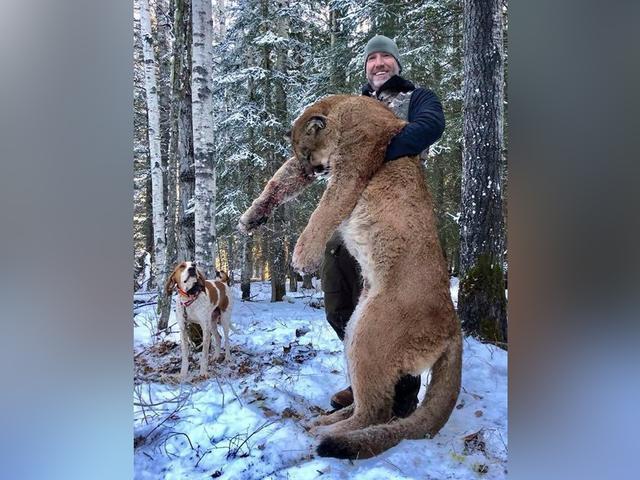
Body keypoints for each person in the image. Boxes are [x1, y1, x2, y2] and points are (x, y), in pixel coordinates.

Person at [320, 34, 446, 418]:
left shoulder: (417, 97)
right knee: (337, 299)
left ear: (397, 63)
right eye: (372, 58)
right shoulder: (354, 106)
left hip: (395, 220)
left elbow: (429, 128)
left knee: (393, 308)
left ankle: (402, 391)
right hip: (350, 218)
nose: (379, 64)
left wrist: (371, 152)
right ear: (365, 66)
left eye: (385, 58)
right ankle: (368, 375)